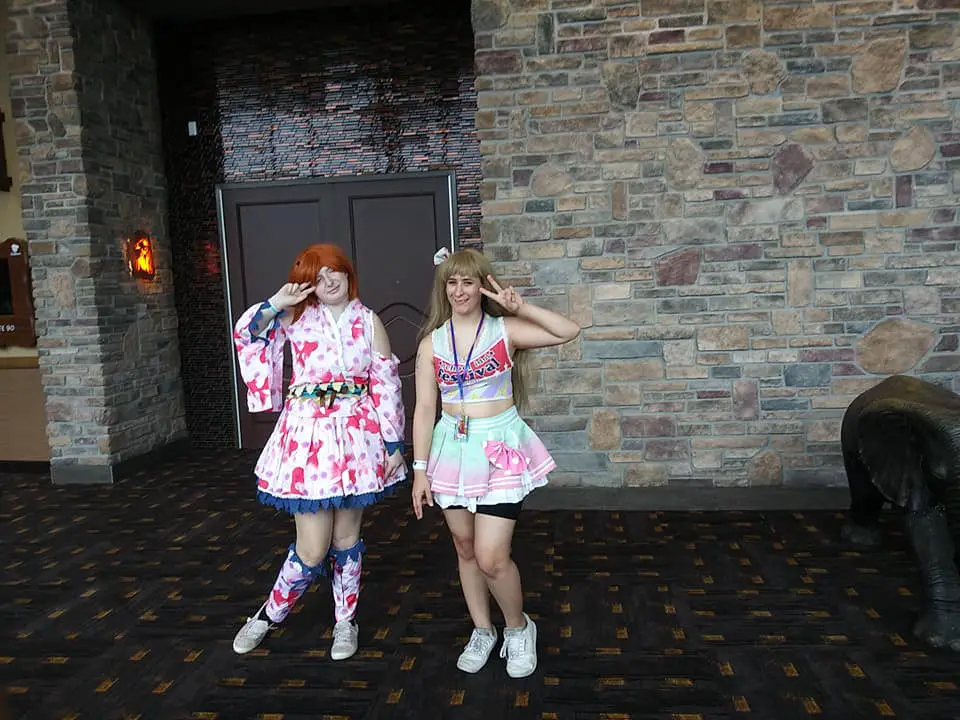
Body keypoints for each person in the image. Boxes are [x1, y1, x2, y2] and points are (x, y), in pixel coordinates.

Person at [410, 247, 581, 678]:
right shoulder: (432, 344)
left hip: (499, 447)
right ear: (443, 289)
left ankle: (518, 628)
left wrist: (520, 306)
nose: (459, 290)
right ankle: (482, 630)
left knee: (491, 556)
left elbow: (568, 330)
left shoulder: (504, 330)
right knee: (464, 547)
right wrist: (419, 470)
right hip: (451, 451)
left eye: (468, 282)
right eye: (452, 282)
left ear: (482, 286)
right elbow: (424, 409)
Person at [230, 243, 406, 660]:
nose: (328, 281)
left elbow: (385, 384)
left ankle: (346, 621)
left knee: (346, 539)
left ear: (348, 273)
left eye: (334, 271)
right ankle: (268, 615)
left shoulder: (369, 320)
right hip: (307, 442)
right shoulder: (294, 315)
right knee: (312, 548)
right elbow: (247, 334)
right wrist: (276, 303)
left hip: (357, 440)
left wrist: (394, 443)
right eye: (318, 276)